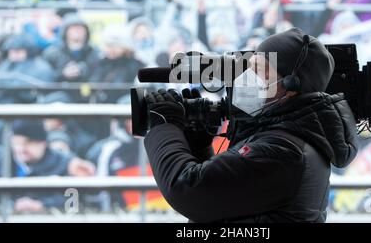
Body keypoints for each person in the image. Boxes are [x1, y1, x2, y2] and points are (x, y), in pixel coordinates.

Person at [143, 28, 358, 222]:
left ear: (290, 86)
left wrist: (164, 126)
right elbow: (218, 203)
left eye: (258, 69)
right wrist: (199, 147)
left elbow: (186, 190)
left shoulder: (282, 151)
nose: (246, 76)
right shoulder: (286, 137)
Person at [0, 119, 95, 213]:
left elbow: (75, 199)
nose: (21, 149)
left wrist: (43, 205)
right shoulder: (4, 162)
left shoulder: (64, 163)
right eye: (16, 143)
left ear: (43, 143)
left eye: (28, 143)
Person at [42, 13, 99, 84]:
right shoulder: (52, 53)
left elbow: (98, 77)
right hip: (59, 91)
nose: (77, 31)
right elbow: (46, 77)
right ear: (65, 31)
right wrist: (63, 74)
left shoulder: (93, 53)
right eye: (73, 28)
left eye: (81, 28)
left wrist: (83, 70)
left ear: (86, 31)